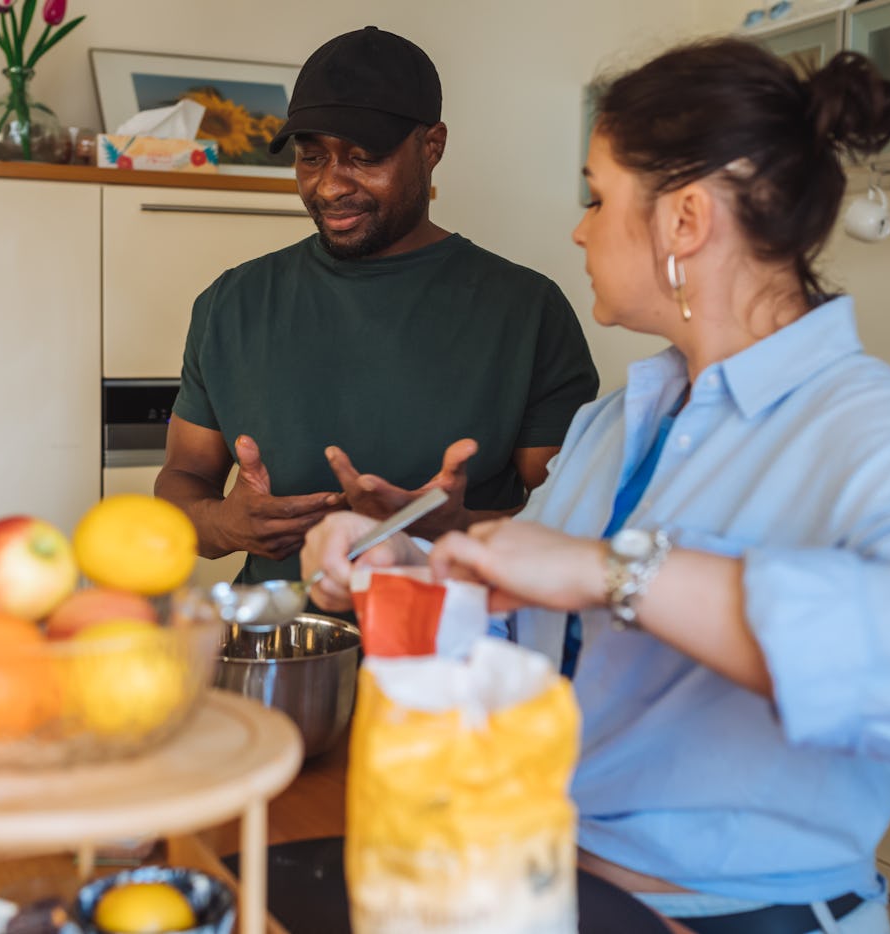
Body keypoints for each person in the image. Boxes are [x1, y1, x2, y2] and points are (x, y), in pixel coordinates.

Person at [301, 38, 890, 934]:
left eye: (597, 196)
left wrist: (619, 571)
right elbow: (539, 629)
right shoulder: (619, 420)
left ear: (685, 221)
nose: (580, 227)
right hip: (541, 885)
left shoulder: (872, 431)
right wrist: (404, 565)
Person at [154, 25, 599, 593]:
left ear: (432, 146)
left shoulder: (527, 310)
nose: (331, 186)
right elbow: (184, 478)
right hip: (279, 650)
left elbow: (573, 521)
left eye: (364, 158)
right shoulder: (230, 303)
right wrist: (226, 524)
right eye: (311, 158)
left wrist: (458, 528)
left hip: (454, 655)